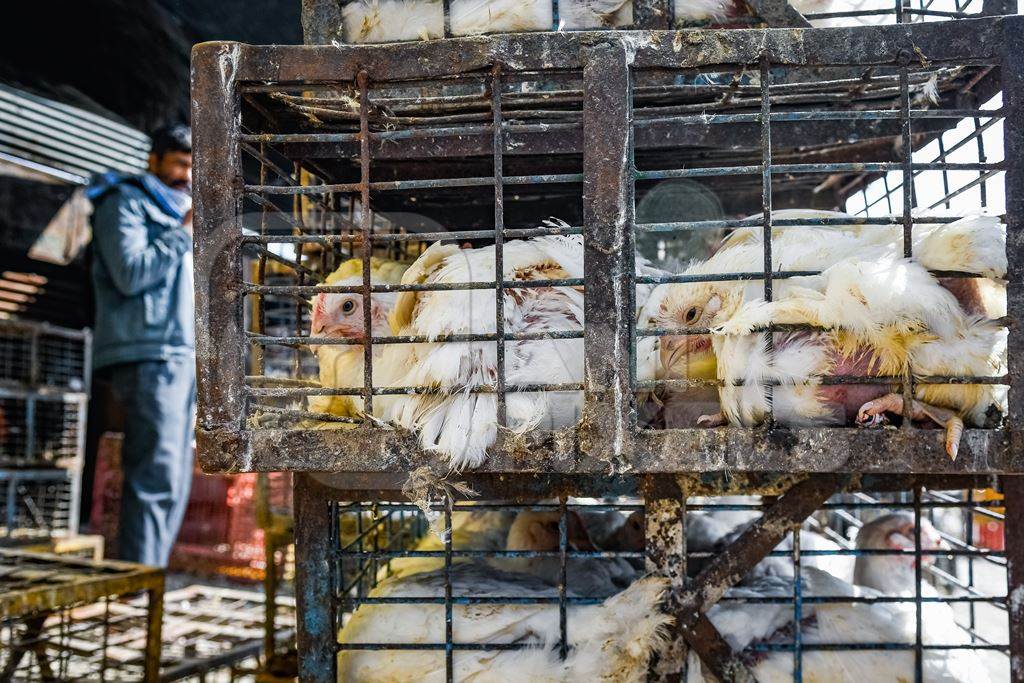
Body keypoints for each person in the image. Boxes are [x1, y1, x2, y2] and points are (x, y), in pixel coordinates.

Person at [85, 124, 195, 566]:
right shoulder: (125, 202)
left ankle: (150, 577)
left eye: (193, 166)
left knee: (173, 473)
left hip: (179, 354)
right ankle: (140, 584)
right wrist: (184, 232)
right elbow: (130, 272)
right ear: (153, 160)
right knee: (155, 473)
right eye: (179, 163)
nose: (187, 175)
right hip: (149, 353)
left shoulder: (177, 212)